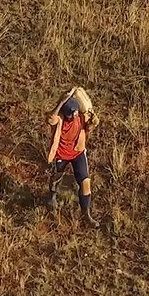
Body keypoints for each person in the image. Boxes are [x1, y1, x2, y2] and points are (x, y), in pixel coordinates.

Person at [45, 92, 97, 226]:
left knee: (86, 183)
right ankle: (52, 196)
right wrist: (60, 103)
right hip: (61, 154)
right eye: (71, 113)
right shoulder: (59, 119)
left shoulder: (81, 116)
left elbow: (89, 126)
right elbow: (50, 118)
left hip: (77, 152)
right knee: (56, 178)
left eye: (75, 112)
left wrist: (92, 124)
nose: (74, 115)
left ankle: (86, 215)